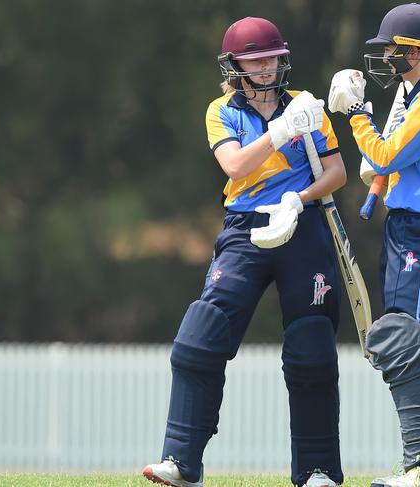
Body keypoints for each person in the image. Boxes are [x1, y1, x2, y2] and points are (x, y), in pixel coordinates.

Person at [142, 16, 346, 487]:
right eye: (256, 60)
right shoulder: (222, 110)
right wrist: (278, 134)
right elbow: (233, 164)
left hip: (302, 223)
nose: (267, 67)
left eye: (273, 57)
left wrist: (299, 198)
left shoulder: (307, 106)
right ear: (234, 65)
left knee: (312, 348)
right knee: (200, 336)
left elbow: (335, 172)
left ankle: (318, 471)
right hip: (245, 227)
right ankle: (181, 463)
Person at [328, 4, 420, 487]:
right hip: (406, 224)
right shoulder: (413, 93)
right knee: (407, 338)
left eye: (394, 49)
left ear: (419, 51)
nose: (387, 56)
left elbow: (387, 152)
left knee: (401, 338)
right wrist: (377, 160)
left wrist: (357, 115)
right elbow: (389, 160)